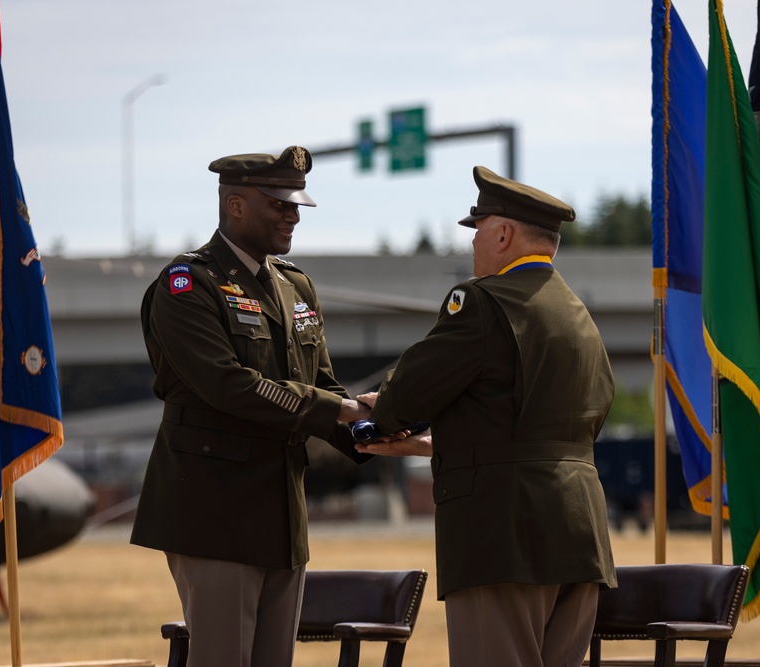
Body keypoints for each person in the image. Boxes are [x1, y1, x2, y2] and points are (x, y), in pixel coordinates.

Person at [356, 166, 617, 667]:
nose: (472, 245)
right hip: (580, 538)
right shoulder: (578, 316)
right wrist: (435, 443)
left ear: (503, 234)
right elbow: (544, 429)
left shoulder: (480, 303)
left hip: (503, 537)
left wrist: (381, 410)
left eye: (477, 231)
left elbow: (403, 400)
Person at [131, 145, 372, 667]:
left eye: (296, 205)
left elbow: (324, 387)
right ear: (235, 205)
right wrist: (341, 412)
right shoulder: (187, 285)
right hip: (215, 513)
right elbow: (227, 385)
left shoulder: (296, 286)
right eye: (279, 203)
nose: (293, 214)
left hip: (282, 516)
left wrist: (379, 432)